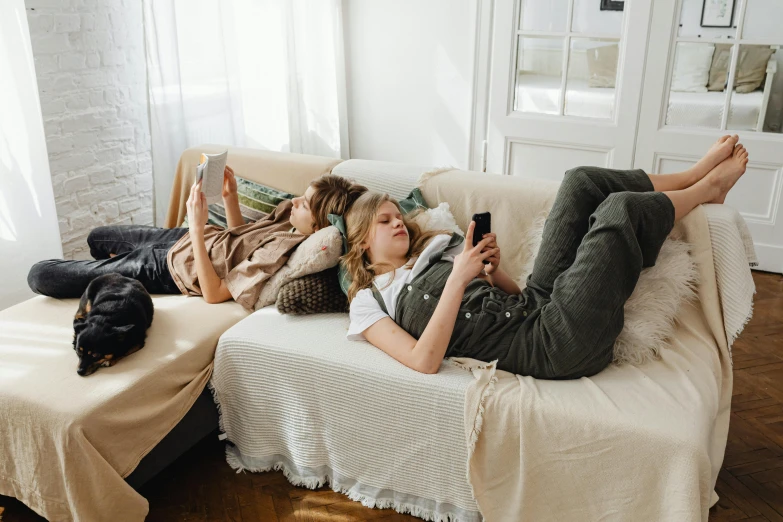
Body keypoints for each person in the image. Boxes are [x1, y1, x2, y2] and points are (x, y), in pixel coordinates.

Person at [342, 135, 748, 379]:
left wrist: (492, 273)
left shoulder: (434, 249)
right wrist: (457, 278)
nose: (398, 223)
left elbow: (512, 294)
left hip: (533, 304)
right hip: (552, 344)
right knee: (618, 210)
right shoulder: (367, 302)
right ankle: (705, 192)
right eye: (384, 221)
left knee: (579, 182)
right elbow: (423, 360)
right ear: (362, 241)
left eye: (398, 215)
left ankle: (690, 176)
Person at [28, 167, 367, 310]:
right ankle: (107, 272)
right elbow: (239, 239)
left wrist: (195, 225)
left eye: (305, 204)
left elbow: (215, 293)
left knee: (41, 275)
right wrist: (230, 198)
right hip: (184, 238)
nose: (295, 202)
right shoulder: (288, 218)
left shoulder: (285, 253)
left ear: (321, 222)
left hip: (169, 268)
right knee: (98, 236)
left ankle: (111, 275)